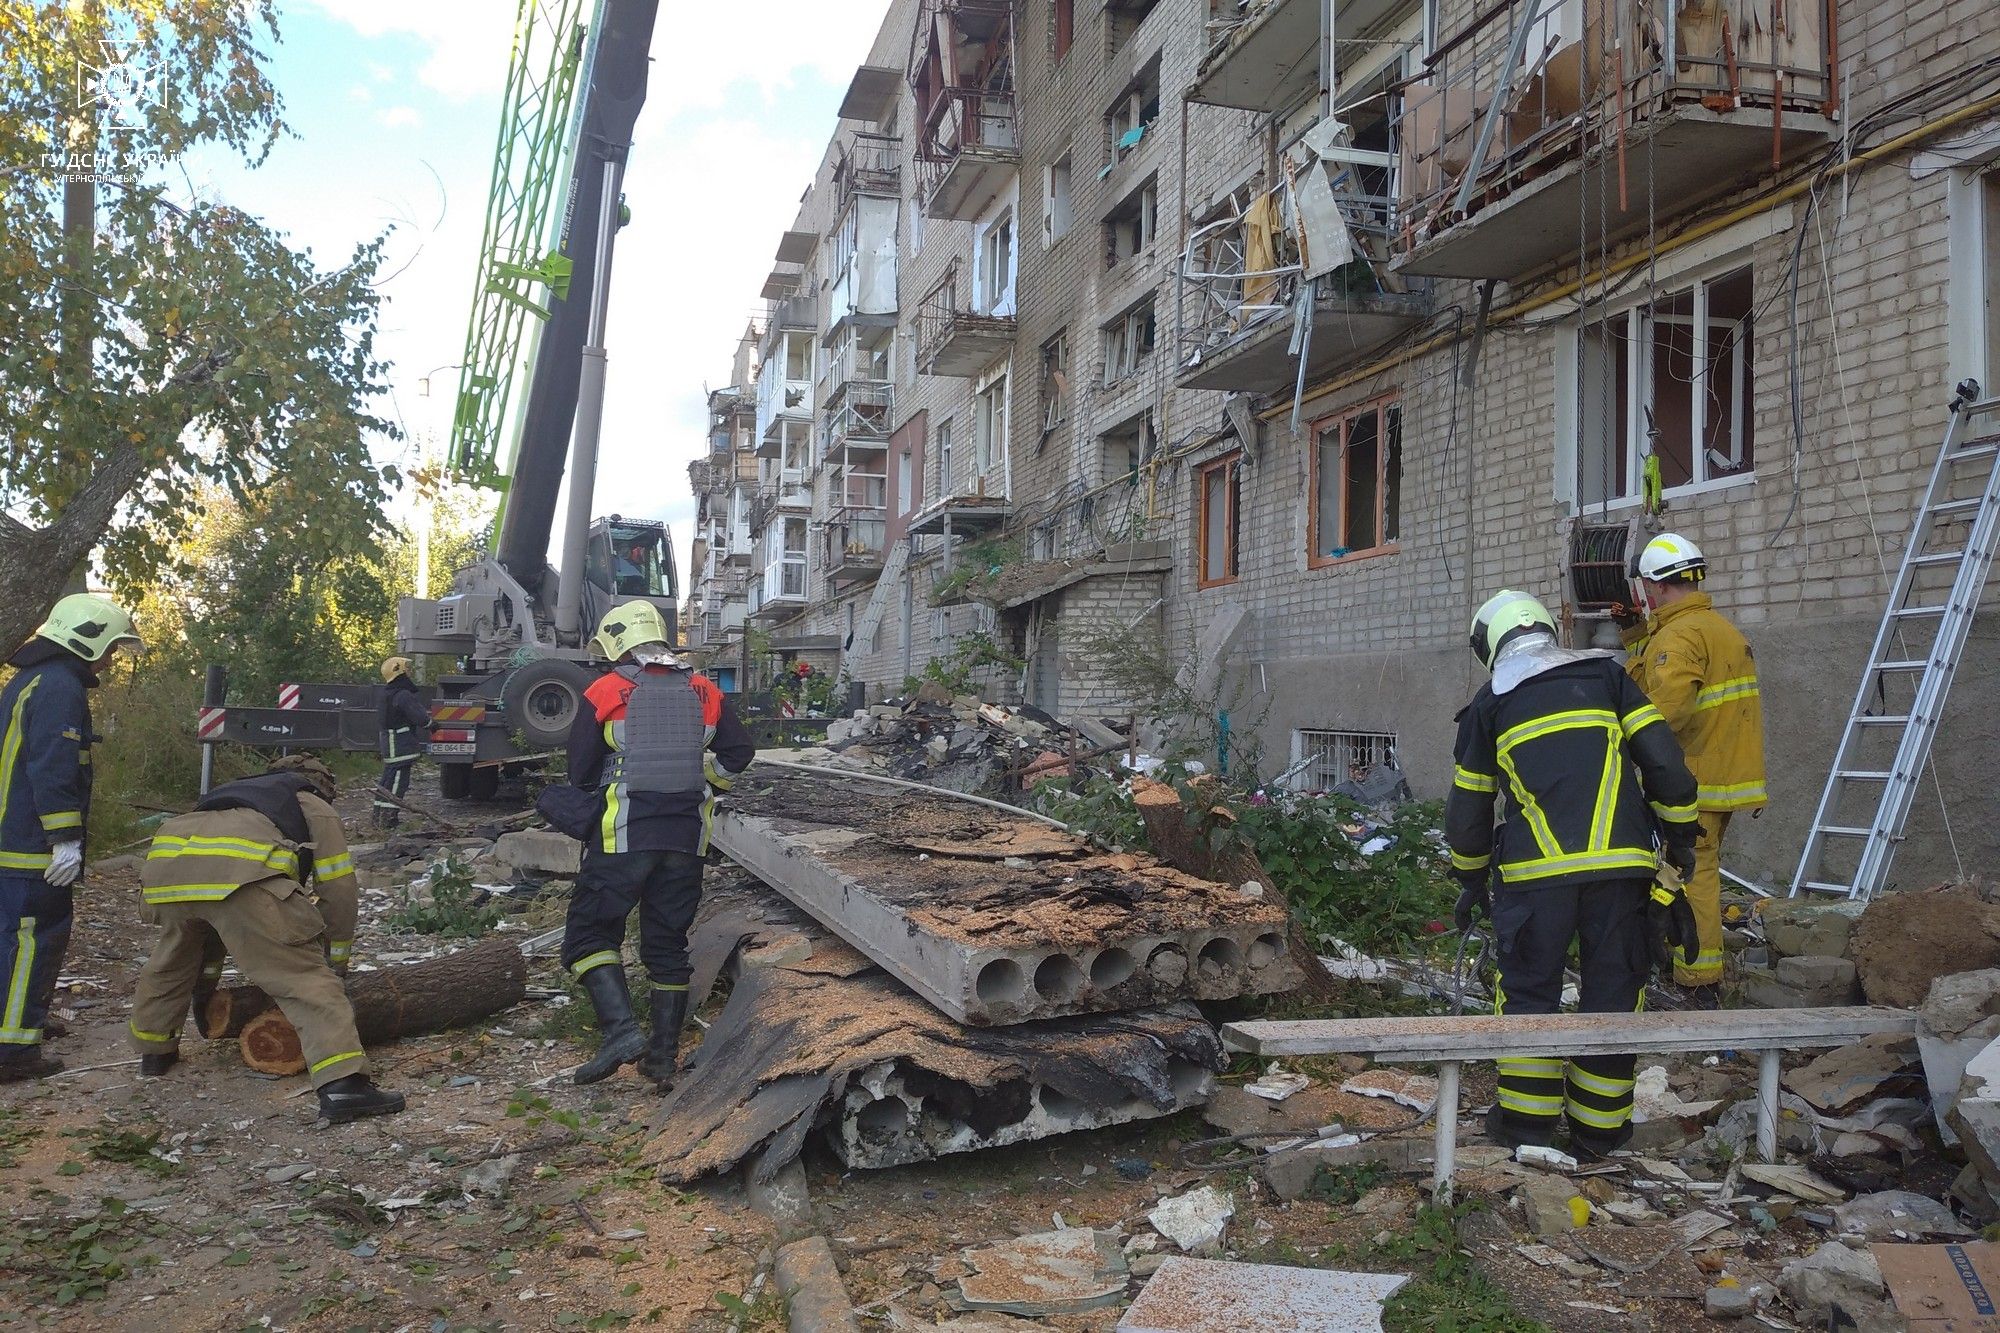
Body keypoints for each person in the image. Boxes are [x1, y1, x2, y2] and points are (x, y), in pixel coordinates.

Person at [1447, 590, 1700, 1155]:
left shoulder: (1490, 705)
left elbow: (1468, 811)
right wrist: (1680, 837)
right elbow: (1665, 764)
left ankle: (1526, 1126)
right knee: (1614, 992)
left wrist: (1469, 880)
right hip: (1621, 873)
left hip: (1535, 879)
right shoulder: (1610, 680)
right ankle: (1600, 1132)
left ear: (1489, 646)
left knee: (1529, 994)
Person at [129, 755, 403, 1123]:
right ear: (321, 784)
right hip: (242, 877)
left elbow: (211, 933)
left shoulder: (232, 793)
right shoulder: (312, 803)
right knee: (303, 979)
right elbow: (338, 889)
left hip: (166, 875)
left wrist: (203, 991)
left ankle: (155, 1052)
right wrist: (334, 961)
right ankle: (343, 1085)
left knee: (174, 956)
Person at [563, 601, 754, 1088]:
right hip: (686, 839)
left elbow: (580, 771)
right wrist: (705, 777)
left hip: (623, 834)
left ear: (615, 646)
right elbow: (739, 751)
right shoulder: (704, 688)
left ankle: (622, 1032)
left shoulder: (606, 690)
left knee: (590, 934)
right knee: (667, 945)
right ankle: (662, 1060)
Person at [1616, 532, 1767, 1008]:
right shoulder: (1717, 629)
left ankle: (1699, 983)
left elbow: (1665, 711)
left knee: (1693, 875)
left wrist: (1618, 744)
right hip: (1723, 775)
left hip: (1695, 780)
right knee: (1691, 871)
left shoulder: (1679, 636)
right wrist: (1639, 638)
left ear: (1655, 586)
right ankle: (1686, 964)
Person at [0, 595, 140, 1082]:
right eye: (112, 648)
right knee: (33, 943)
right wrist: (64, 839)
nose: (111, 659)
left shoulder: (31, 679)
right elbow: (53, 768)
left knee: (10, 944)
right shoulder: (60, 687)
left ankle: (15, 1022)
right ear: (88, 636)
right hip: (30, 849)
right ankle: (14, 1052)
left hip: (11, 842)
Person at [374, 656, 429, 829]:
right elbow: (419, 717)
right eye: (407, 669)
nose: (410, 672)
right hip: (399, 744)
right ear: (400, 672)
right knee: (398, 781)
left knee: (388, 779)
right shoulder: (403, 695)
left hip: (391, 743)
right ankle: (389, 818)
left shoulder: (388, 693)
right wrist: (432, 724)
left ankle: (379, 817)